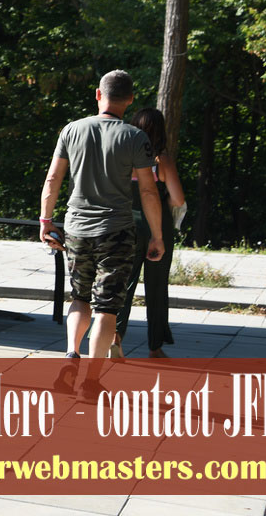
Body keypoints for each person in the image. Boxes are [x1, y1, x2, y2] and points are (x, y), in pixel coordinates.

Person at [38, 70, 164, 360]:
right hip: (116, 230)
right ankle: (92, 378)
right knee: (107, 307)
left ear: (98, 94)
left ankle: (72, 351)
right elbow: (148, 191)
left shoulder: (71, 130)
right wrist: (156, 236)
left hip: (76, 229)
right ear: (130, 100)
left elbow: (53, 180)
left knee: (80, 297)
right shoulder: (135, 137)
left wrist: (45, 221)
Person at [114, 108, 186, 358]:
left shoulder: (123, 157)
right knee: (156, 286)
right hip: (159, 226)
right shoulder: (161, 160)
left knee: (123, 282)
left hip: (125, 222)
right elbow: (177, 199)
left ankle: (115, 337)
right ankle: (155, 346)